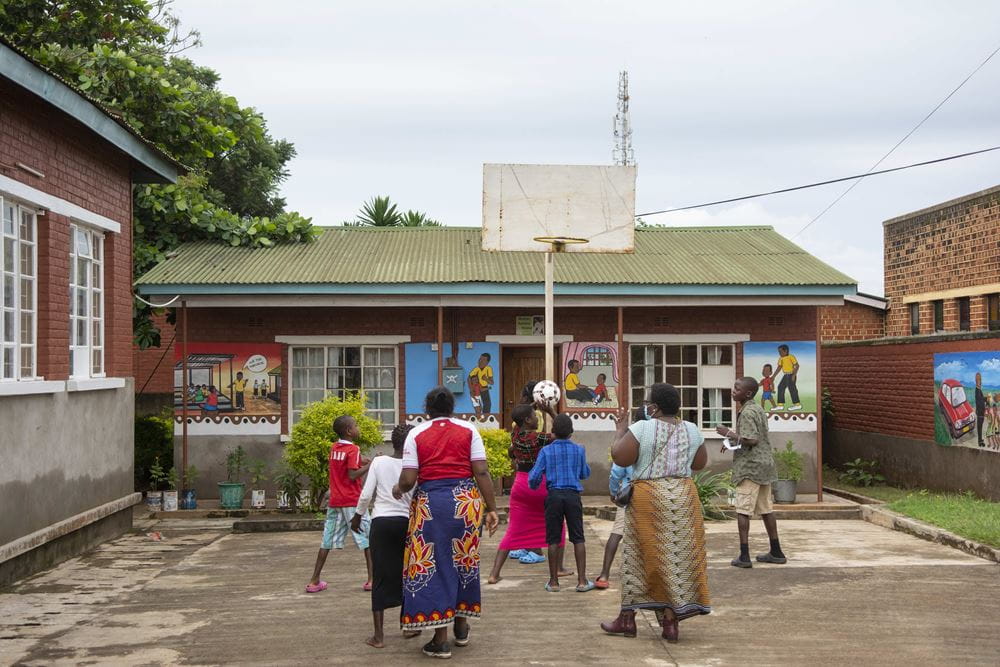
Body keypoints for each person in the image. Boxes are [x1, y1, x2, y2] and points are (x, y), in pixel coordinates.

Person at [394, 387, 499, 659]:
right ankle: (461, 630)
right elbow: (481, 471)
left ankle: (440, 640)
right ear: (452, 407)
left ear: (427, 409)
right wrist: (492, 508)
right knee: (465, 559)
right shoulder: (469, 430)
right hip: (466, 504)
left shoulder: (416, 433)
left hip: (433, 505)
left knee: (436, 563)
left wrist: (397, 490)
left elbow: (408, 479)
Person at [601, 383, 710, 643]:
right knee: (677, 559)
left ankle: (627, 619)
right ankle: (671, 623)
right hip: (683, 498)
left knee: (638, 557)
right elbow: (699, 463)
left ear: (655, 407)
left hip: (649, 497)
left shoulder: (642, 428)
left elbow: (620, 457)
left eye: (648, 401)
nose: (646, 404)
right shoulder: (692, 430)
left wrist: (619, 430)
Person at [352, 424, 421, 648]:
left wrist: (357, 517)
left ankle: (378, 636)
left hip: (381, 522)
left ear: (392, 442)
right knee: (409, 573)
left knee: (380, 574)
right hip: (407, 523)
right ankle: (409, 626)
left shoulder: (380, 462)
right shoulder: (416, 466)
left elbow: (365, 494)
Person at [487, 404, 567, 583]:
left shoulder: (515, 435)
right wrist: (551, 412)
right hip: (541, 484)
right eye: (534, 415)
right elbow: (561, 434)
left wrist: (532, 405)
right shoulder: (537, 437)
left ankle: (494, 573)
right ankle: (559, 568)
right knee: (558, 524)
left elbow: (518, 421)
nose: (537, 418)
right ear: (527, 420)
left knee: (512, 530)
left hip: (521, 485)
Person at [716, 376, 788, 569]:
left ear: (747, 393)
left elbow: (752, 439)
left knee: (742, 509)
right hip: (765, 464)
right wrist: (732, 443)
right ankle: (776, 551)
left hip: (751, 467)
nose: (733, 391)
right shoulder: (757, 409)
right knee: (766, 508)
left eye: (736, 388)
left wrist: (728, 434)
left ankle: (744, 555)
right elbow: (752, 437)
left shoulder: (747, 412)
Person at [306, 415, 374, 594]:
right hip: (352, 501)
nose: (358, 428)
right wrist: (371, 464)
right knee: (368, 540)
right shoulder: (354, 450)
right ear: (349, 431)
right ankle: (372, 580)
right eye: (356, 425)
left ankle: (314, 580)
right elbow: (352, 475)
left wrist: (362, 461)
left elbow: (344, 466)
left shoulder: (334, 448)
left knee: (326, 540)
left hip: (335, 501)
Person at [528, 413, 593, 593]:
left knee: (553, 539)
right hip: (573, 496)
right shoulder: (579, 449)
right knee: (578, 537)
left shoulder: (546, 451)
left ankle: (554, 582)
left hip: (554, 496)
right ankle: (581, 581)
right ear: (571, 432)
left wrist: (534, 486)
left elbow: (534, 477)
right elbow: (585, 474)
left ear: (553, 432)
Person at [594, 406, 644, 589]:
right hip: (651, 495)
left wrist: (614, 492)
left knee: (617, 534)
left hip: (629, 495)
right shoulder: (657, 438)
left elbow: (616, 471)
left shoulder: (629, 440)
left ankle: (605, 574)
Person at [770, 344, 801, 411]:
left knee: (792, 389)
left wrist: (794, 375)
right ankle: (780, 405)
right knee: (780, 387)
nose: (779, 353)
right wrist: (773, 376)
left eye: (780, 352)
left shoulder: (791, 357)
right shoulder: (781, 358)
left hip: (791, 374)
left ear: (786, 351)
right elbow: (779, 367)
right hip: (785, 375)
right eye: (779, 352)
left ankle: (797, 404)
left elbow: (797, 366)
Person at [975, 372, 986, 448]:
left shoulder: (979, 390)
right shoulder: (977, 390)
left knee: (981, 426)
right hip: (980, 412)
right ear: (976, 381)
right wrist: (985, 399)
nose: (980, 382)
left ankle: (980, 440)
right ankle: (979, 441)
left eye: (980, 380)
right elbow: (979, 401)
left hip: (981, 411)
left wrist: (987, 398)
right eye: (978, 380)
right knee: (979, 427)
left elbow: (981, 399)